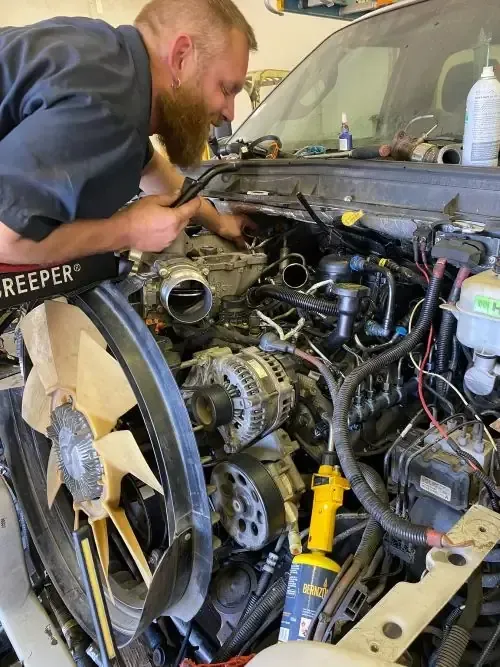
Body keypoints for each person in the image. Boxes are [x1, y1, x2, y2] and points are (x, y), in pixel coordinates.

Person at [0, 0, 257, 265]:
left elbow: (150, 168)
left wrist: (218, 222)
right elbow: (6, 241)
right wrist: (128, 230)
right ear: (181, 57)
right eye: (226, 89)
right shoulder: (106, 104)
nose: (230, 113)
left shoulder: (111, 61)